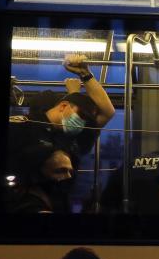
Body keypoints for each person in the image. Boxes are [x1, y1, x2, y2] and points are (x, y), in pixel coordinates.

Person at [8, 54, 115, 183]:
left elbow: (107, 112)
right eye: (80, 115)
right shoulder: (25, 125)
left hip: (57, 199)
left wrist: (85, 73)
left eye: (85, 120)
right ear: (63, 106)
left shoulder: (75, 138)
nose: (81, 123)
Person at [5, 140, 75, 214]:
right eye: (60, 171)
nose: (69, 176)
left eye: (70, 171)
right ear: (36, 173)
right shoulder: (31, 207)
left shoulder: (46, 196)